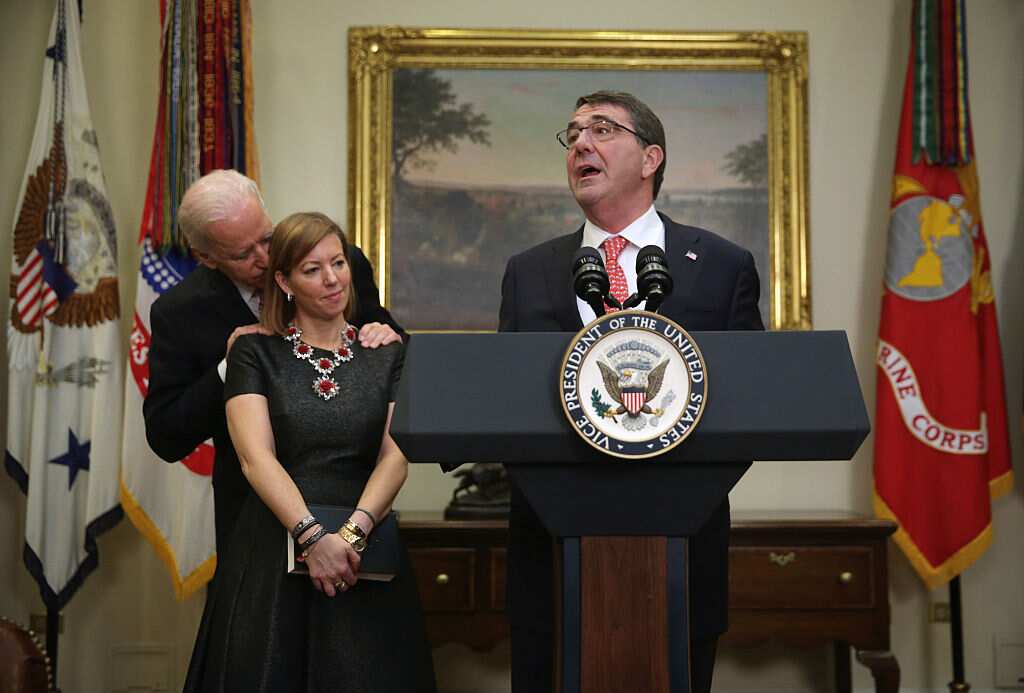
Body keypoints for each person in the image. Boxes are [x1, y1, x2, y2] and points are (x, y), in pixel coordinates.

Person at [498, 91, 764, 693]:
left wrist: (682, 491)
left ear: (650, 159)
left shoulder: (722, 265)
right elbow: (506, 404)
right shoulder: (529, 270)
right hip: (551, 549)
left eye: (601, 129)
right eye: (572, 135)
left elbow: (750, 404)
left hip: (682, 549)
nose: (580, 145)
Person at [183, 211, 436, 691]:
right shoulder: (253, 352)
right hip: (271, 554)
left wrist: (350, 537)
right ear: (284, 281)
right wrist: (312, 537)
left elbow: (396, 455)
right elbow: (255, 459)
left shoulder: (387, 353)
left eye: (337, 263)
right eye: (312, 269)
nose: (332, 279)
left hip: (365, 551)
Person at [144, 170, 402, 558]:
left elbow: (399, 361)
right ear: (206, 257)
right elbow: (165, 435)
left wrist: (387, 336)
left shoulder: (338, 268)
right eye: (243, 254)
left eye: (266, 238)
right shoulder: (180, 312)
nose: (264, 259)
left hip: (353, 504)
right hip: (252, 517)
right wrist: (228, 368)